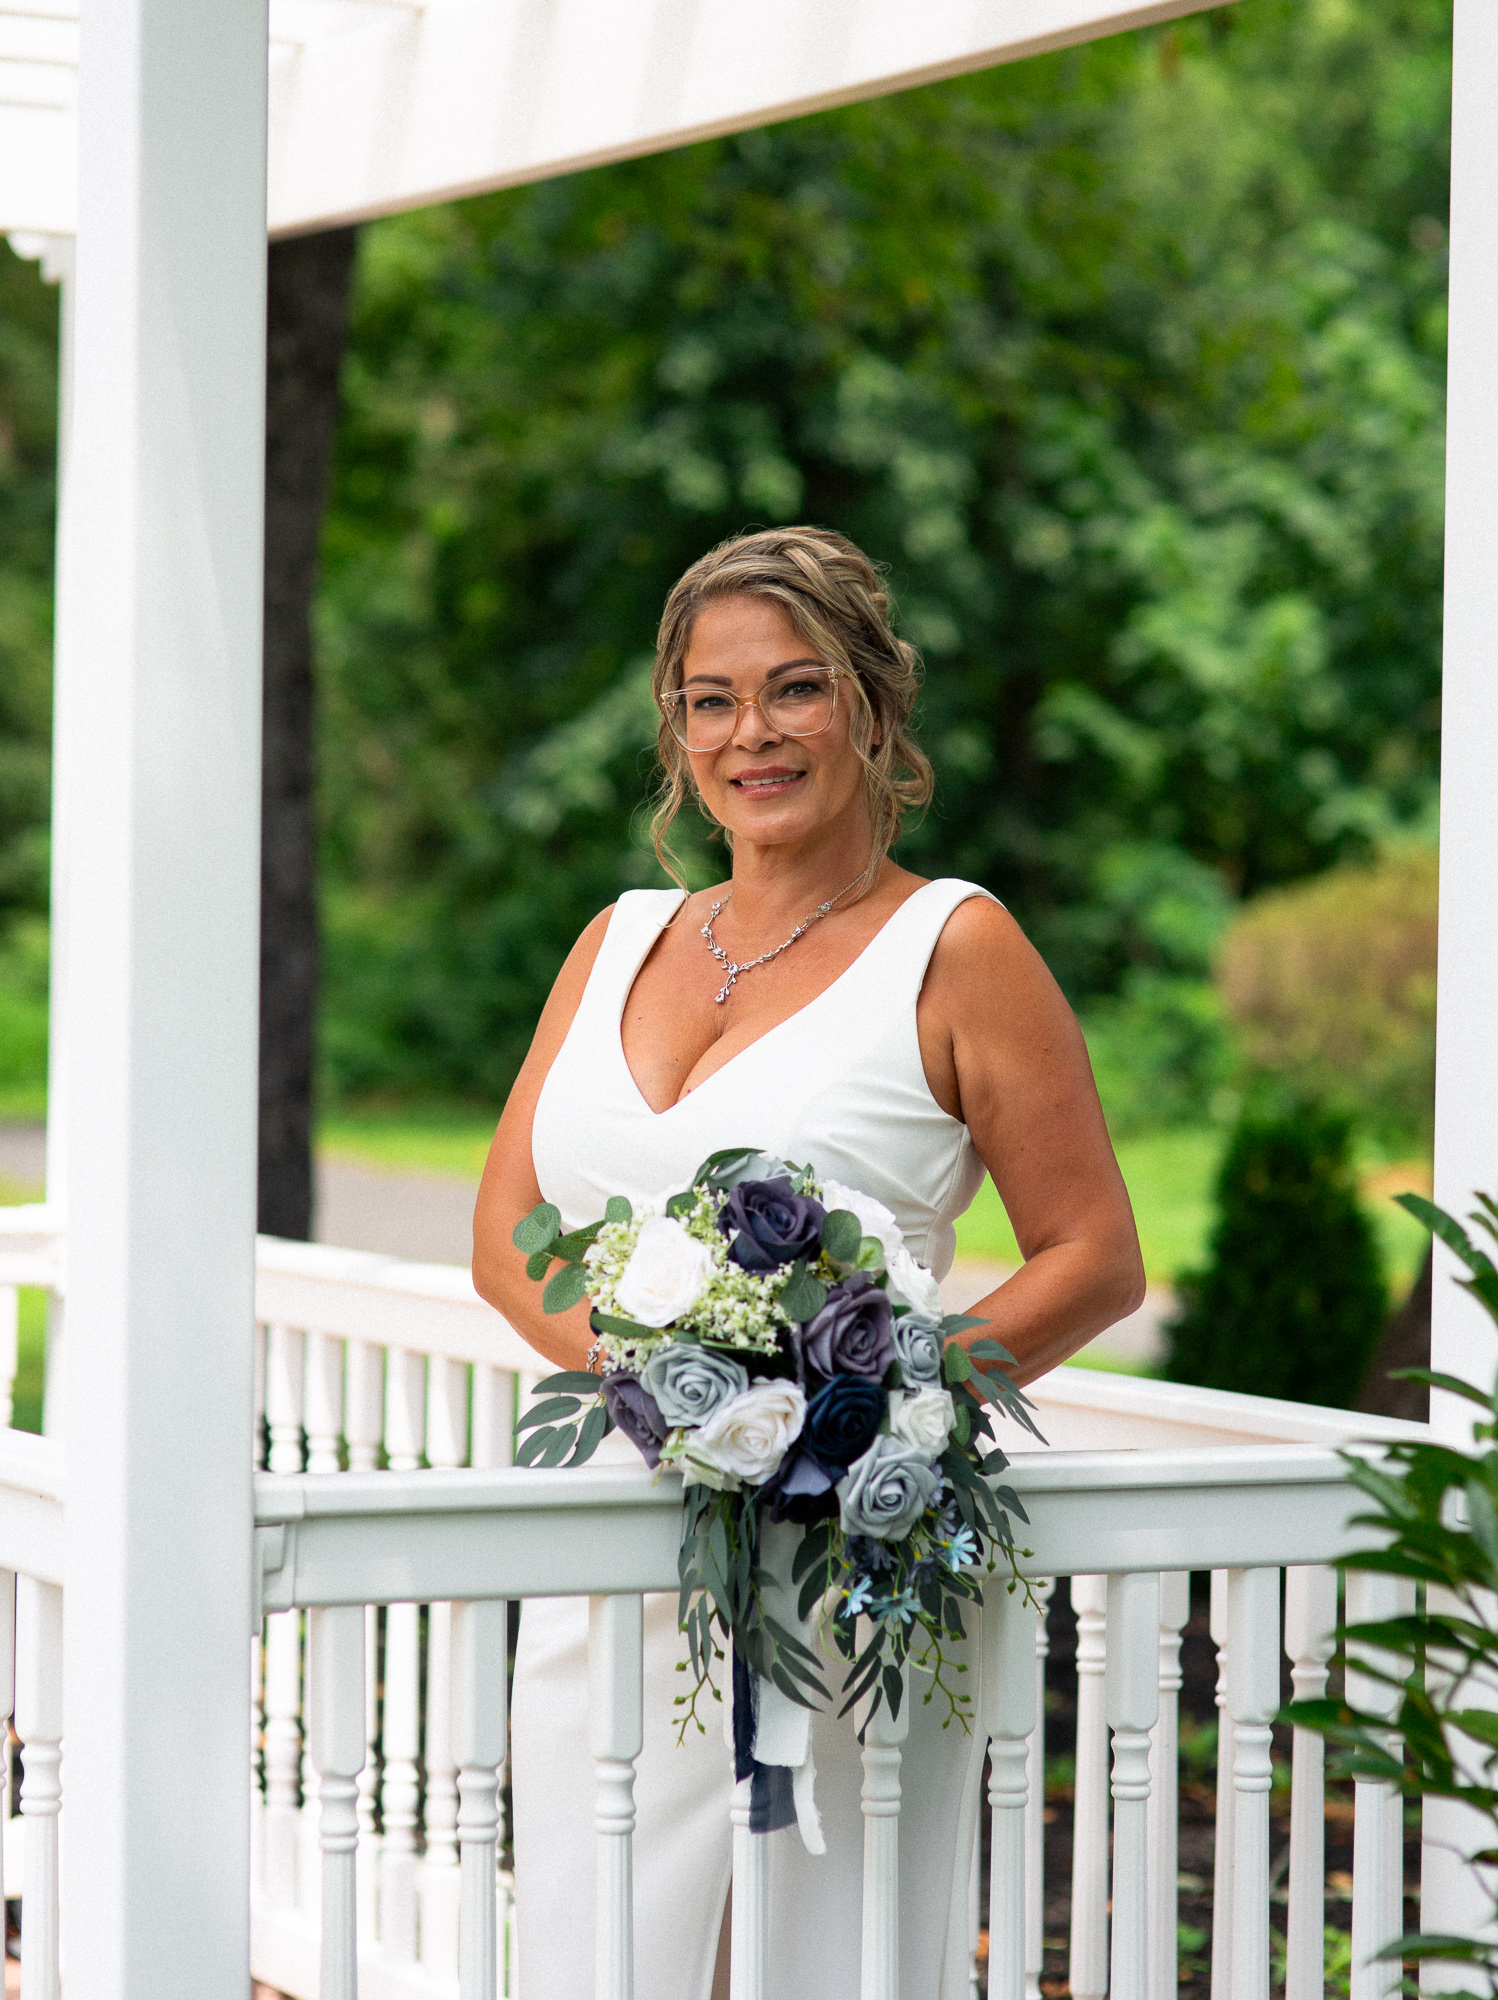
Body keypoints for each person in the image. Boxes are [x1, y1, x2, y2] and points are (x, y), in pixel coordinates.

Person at [472, 525, 1144, 2000]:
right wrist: (676, 1397)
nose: (751, 734)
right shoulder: (617, 938)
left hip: (845, 1558)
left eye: (795, 690)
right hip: (610, 1551)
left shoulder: (955, 946)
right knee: (598, 1948)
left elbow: (1094, 1256)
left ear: (874, 707)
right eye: (710, 701)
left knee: (807, 1953)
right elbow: (503, 1230)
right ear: (675, 730)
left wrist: (874, 1410)